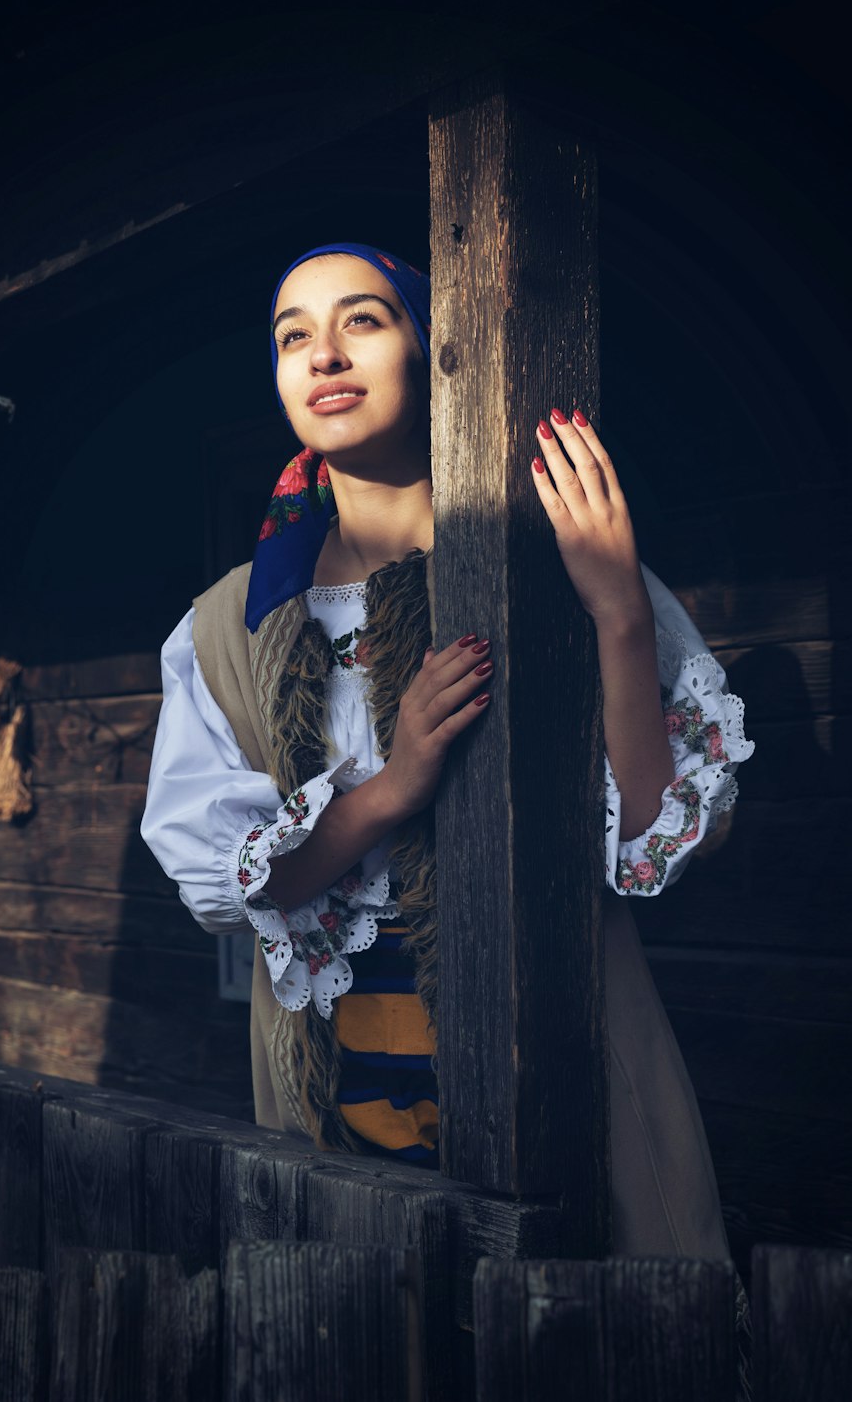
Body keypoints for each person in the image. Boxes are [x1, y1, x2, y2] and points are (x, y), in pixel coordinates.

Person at [140, 242, 754, 1258]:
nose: (324, 354)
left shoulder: (549, 552)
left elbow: (654, 839)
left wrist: (614, 612)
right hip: (336, 1090)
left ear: (430, 349)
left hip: (563, 1066)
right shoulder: (225, 627)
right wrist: (390, 790)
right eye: (294, 335)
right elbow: (228, 880)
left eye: (363, 320)